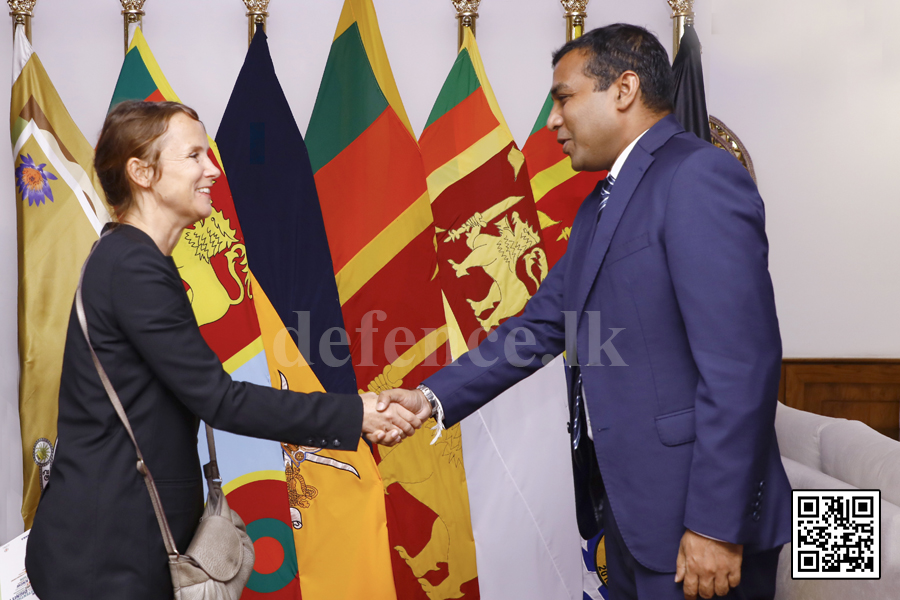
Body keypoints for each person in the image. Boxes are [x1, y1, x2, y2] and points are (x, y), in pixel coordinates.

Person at [376, 24, 791, 600]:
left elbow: (742, 367)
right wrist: (428, 398)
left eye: (564, 97)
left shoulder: (697, 176)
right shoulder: (599, 205)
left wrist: (715, 528)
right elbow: (541, 326)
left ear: (623, 89)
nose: (551, 119)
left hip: (698, 525)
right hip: (629, 516)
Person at [25, 100, 420, 600]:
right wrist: (353, 413)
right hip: (107, 552)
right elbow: (219, 399)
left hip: (116, 542)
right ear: (142, 172)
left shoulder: (128, 257)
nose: (213, 170)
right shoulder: (132, 266)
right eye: (194, 157)